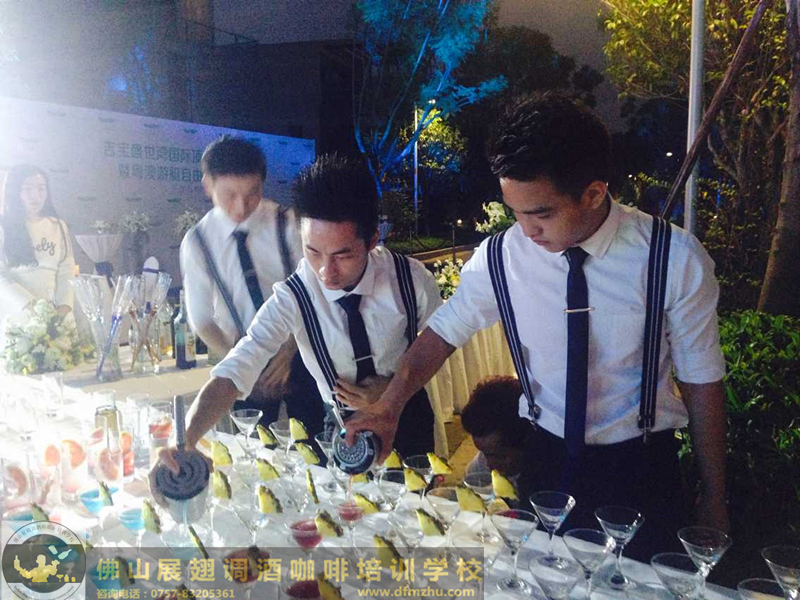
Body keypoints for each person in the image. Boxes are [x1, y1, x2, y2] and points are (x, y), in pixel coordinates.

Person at [346, 93, 728, 560]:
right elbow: (444, 332)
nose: (526, 230)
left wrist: (715, 495)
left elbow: (701, 379)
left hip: (642, 465)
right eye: (514, 212)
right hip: (545, 457)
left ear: (593, 193)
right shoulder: (501, 258)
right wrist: (390, 405)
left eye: (541, 213)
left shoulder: (673, 259)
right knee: (541, 579)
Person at [153, 153, 441, 495]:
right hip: (339, 427)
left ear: (373, 239)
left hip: (409, 419)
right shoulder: (294, 295)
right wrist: (186, 439)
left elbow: (437, 346)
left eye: (343, 255)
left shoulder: (412, 280)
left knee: (420, 513)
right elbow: (236, 367)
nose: (326, 272)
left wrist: (394, 391)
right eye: (313, 252)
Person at [179, 136, 326, 436]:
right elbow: (202, 320)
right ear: (208, 185)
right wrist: (244, 361)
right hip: (242, 357)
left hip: (300, 350)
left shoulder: (287, 223)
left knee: (315, 440)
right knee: (255, 447)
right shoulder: (198, 242)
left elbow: (313, 292)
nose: (241, 206)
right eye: (229, 194)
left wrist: (289, 349)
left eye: (252, 193)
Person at [0, 164, 76, 345]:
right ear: (15, 191)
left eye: (41, 189)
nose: (35, 196)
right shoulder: (4, 226)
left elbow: (67, 268)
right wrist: (33, 308)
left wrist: (63, 308)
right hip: (19, 312)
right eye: (27, 189)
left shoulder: (57, 225)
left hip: (57, 313)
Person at [462, 376, 532, 485]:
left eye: (500, 457)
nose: (489, 465)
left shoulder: (553, 475)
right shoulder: (481, 467)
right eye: (485, 453)